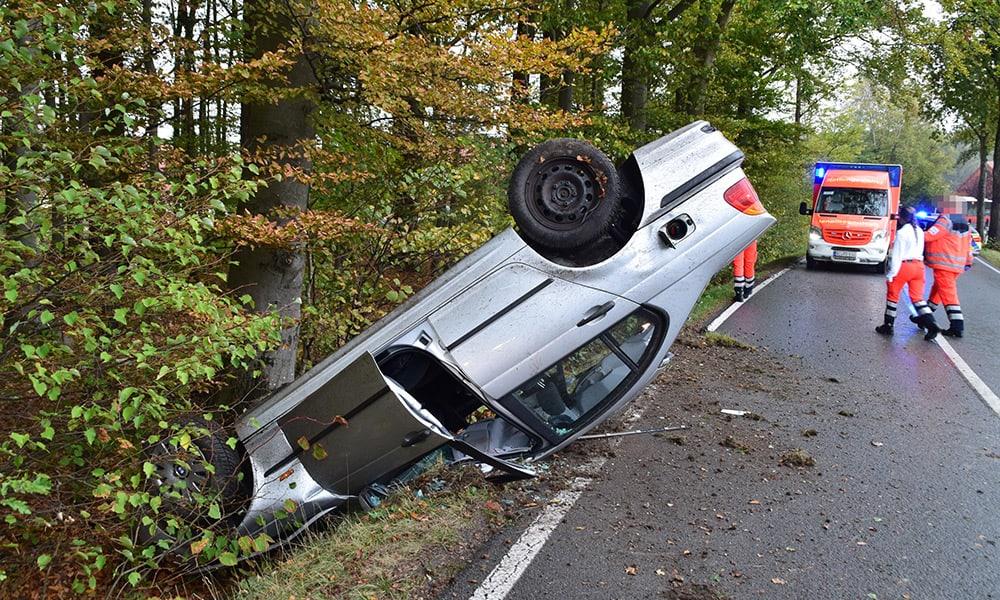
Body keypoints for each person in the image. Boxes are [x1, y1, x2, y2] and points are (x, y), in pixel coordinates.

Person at [877, 206, 938, 340]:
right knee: (918, 298)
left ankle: (888, 325)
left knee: (893, 296)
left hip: (905, 266)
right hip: (919, 267)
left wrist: (891, 274)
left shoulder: (902, 232)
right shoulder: (920, 231)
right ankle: (931, 324)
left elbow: (897, 255)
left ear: (902, 218)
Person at [921, 213, 973, 337]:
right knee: (938, 290)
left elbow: (930, 235)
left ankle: (956, 326)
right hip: (957, 264)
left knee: (948, 294)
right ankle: (924, 318)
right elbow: (968, 244)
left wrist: (913, 233)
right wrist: (968, 261)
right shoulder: (963, 221)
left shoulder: (945, 220)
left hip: (944, 263)